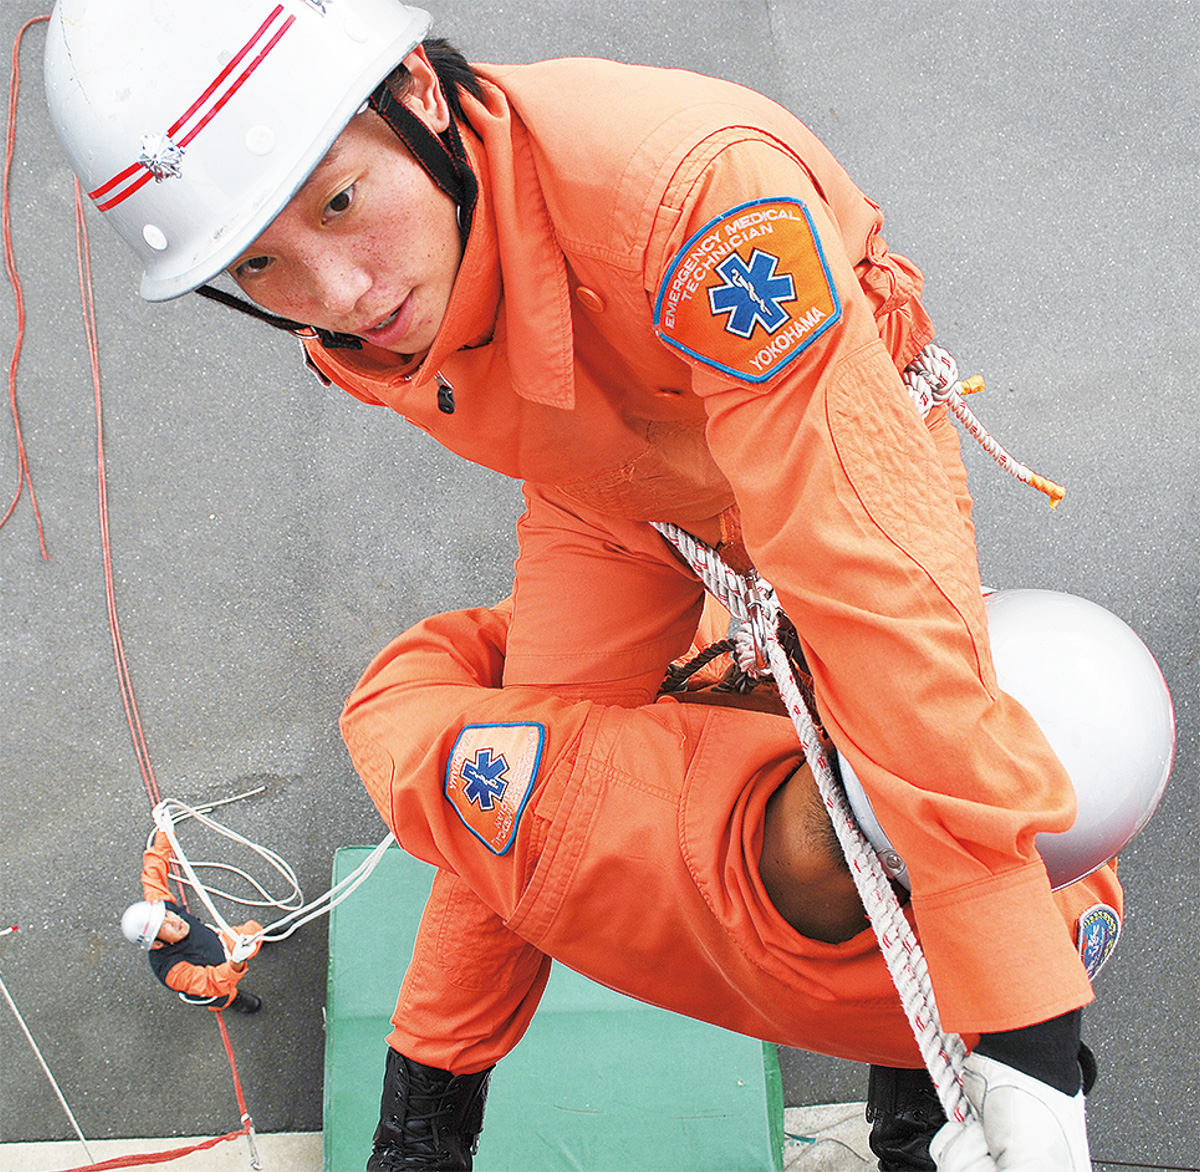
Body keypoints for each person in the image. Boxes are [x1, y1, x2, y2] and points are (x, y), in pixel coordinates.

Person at [43, 2, 1118, 1166]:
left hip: (818, 434)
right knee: (511, 788)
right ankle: (420, 1137)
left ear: (416, 95)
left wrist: (1029, 1036)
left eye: (341, 200)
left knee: (889, 769)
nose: (342, 294)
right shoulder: (363, 325)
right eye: (260, 263)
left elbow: (868, 577)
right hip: (613, 495)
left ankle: (937, 1104)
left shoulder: (698, 201)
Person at [338, 597, 1123, 1170]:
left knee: (498, 842)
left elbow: (399, 699)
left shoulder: (596, 815)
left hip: (642, 821)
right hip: (945, 1002)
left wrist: (604, 650)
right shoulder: (1067, 918)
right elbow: (1030, 846)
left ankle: (418, 1143)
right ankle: (917, 1137)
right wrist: (1038, 1061)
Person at [120, 831, 264, 1014]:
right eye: (163, 926)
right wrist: (236, 962)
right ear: (157, 944)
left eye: (166, 916)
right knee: (222, 994)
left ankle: (260, 940)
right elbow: (211, 982)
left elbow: (154, 869)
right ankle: (234, 1000)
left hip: (220, 943)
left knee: (253, 931)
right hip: (214, 981)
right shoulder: (173, 972)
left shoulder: (161, 908)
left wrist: (164, 830)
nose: (173, 920)